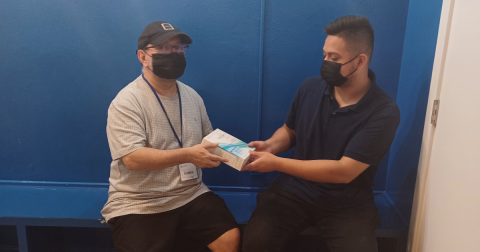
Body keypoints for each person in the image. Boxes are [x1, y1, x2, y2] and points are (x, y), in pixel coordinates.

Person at [242, 16, 400, 252]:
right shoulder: (310, 87)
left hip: (348, 202)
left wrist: (277, 163)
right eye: (325, 55)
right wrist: (271, 146)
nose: (326, 62)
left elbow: (344, 172)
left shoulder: (384, 111)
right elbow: (290, 130)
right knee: (256, 242)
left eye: (334, 58)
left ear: (360, 61)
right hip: (293, 191)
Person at [101, 21, 240, 252]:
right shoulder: (127, 101)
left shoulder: (192, 96)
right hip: (140, 201)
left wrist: (246, 155)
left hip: (191, 192)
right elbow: (133, 159)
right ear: (143, 56)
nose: (174, 54)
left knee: (230, 239)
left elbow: (210, 138)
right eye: (164, 48)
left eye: (179, 48)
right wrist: (188, 155)